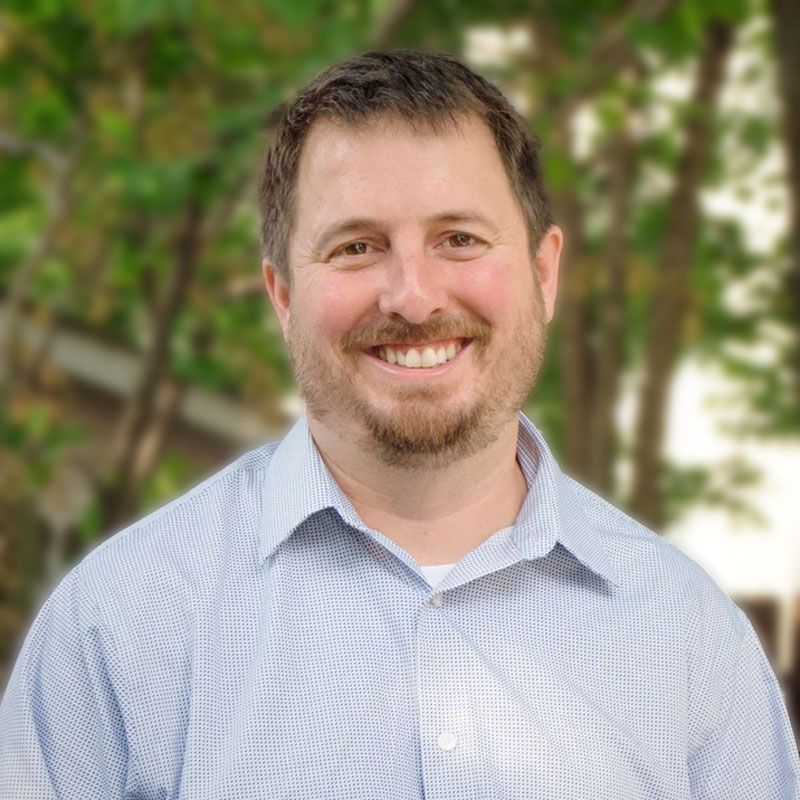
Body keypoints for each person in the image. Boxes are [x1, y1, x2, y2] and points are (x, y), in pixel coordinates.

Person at [0, 49, 798, 800]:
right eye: (357, 246)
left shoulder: (687, 633)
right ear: (282, 297)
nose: (413, 297)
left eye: (459, 238)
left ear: (544, 273)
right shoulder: (119, 622)